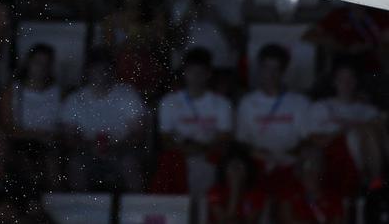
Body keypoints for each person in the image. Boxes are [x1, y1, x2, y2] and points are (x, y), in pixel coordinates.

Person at [60, 48, 146, 192]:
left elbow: (138, 133)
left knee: (129, 163)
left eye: (105, 68)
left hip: (122, 152)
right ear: (87, 71)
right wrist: (89, 146)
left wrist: (117, 146)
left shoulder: (127, 94)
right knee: (75, 164)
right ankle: (81, 211)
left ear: (112, 70)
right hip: (87, 152)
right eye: (96, 69)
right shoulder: (74, 99)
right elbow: (69, 137)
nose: (101, 73)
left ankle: (136, 209)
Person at [153, 48, 234, 195]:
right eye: (191, 72)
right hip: (179, 155)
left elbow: (224, 138)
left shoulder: (221, 103)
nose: (196, 77)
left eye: (201, 73)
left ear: (208, 74)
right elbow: (165, 139)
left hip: (209, 154)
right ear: (184, 73)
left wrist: (203, 149)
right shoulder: (169, 101)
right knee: (170, 162)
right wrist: (185, 150)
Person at [235, 43, 311, 197]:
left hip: (291, 163)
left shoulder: (300, 102)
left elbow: (307, 139)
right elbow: (241, 140)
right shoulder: (247, 102)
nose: (270, 74)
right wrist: (256, 152)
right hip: (258, 164)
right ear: (259, 69)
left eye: (276, 69)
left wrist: (293, 153)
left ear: (283, 71)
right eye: (266, 68)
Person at [307, 59, 386, 196]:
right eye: (342, 78)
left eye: (350, 78)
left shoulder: (369, 110)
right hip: (335, 154)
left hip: (368, 153)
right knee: (361, 131)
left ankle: (373, 179)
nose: (346, 83)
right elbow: (316, 140)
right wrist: (345, 130)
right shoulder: (320, 107)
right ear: (334, 81)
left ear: (356, 81)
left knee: (371, 129)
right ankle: (373, 180)